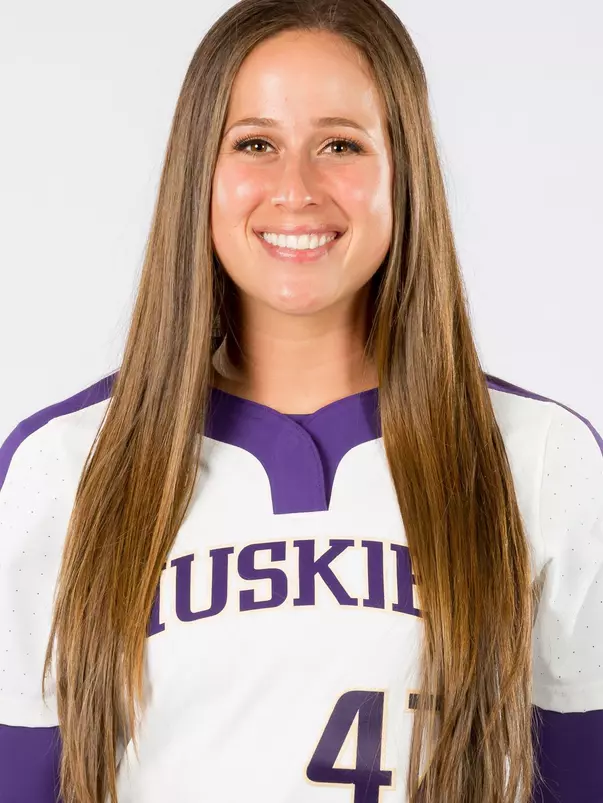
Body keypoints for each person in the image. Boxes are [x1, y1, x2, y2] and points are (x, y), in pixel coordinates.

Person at [0, 1, 601, 801]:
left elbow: (581, 770)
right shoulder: (65, 464)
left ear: (403, 171)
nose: (296, 189)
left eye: (340, 145)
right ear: (200, 175)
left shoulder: (539, 456)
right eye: (255, 143)